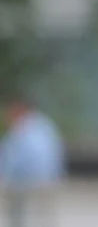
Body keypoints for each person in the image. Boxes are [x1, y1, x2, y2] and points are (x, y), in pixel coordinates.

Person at [0, 96, 66, 227]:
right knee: (43, 217)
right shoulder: (46, 125)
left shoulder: (20, 128)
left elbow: (13, 160)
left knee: (17, 213)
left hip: (28, 181)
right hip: (50, 180)